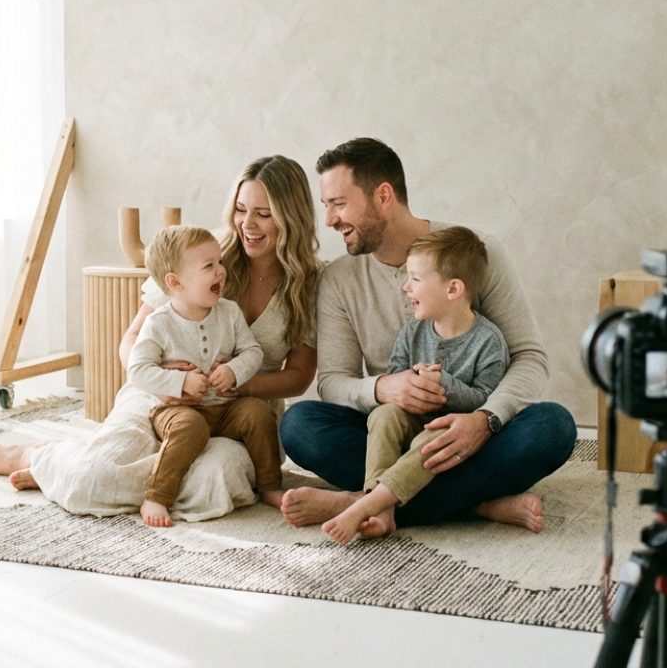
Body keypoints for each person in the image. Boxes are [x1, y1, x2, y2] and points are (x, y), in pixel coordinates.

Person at [0, 155, 320, 523]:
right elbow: (132, 340)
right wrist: (167, 382)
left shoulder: (308, 283)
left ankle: (74, 469)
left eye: (263, 214)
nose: (247, 224)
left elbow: (299, 376)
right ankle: (48, 458)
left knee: (214, 483)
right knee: (97, 476)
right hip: (157, 397)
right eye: (240, 209)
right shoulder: (198, 253)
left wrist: (239, 383)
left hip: (239, 414)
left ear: (290, 216)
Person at [279, 138, 577, 534]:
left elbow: (529, 358)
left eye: (338, 204)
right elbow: (333, 381)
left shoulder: (474, 251)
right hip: (391, 433)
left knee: (553, 427)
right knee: (299, 424)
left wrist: (484, 421)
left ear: (383, 196)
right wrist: (384, 388)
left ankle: (365, 501)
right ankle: (477, 505)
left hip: (471, 433)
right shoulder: (338, 279)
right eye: (326, 206)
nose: (330, 220)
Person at [321, 226, 509, 544]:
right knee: (381, 416)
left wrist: (444, 385)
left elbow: (486, 400)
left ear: (453, 289)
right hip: (410, 426)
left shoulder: (488, 341)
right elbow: (396, 377)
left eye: (416, 279)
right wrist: (408, 383)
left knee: (545, 425)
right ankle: (381, 506)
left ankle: (367, 503)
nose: (406, 287)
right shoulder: (412, 332)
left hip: (457, 439)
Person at [128, 224, 279, 527]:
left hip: (225, 408)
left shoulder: (229, 312)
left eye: (219, 262)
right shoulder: (159, 323)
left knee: (258, 413)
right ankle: (157, 496)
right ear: (175, 282)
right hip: (177, 410)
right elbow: (137, 370)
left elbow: (252, 352)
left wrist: (233, 371)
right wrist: (180, 382)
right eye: (209, 266)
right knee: (190, 426)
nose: (221, 271)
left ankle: (271, 486)